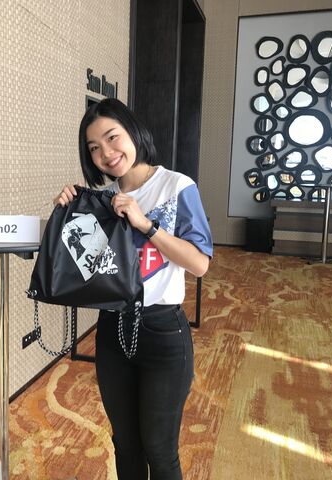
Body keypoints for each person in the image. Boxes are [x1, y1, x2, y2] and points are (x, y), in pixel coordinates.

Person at [53, 98, 213, 480]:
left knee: (159, 449)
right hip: (113, 330)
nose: (106, 153)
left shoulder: (176, 186)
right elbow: (92, 270)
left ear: (133, 132)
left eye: (112, 138)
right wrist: (69, 216)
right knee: (125, 443)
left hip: (163, 331)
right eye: (94, 147)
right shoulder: (102, 201)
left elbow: (199, 264)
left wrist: (147, 225)